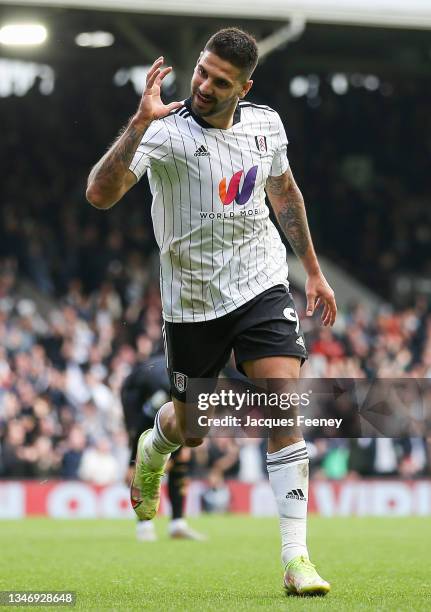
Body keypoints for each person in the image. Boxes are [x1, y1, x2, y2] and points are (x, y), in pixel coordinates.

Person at [86, 27, 337, 595]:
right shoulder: (164, 132)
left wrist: (314, 272)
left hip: (261, 284)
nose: (203, 85)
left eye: (219, 81)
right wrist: (138, 122)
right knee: (191, 428)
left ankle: (297, 560)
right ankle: (154, 447)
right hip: (193, 304)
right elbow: (99, 194)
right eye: (201, 71)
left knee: (282, 404)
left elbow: (285, 194)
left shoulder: (266, 125)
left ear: (243, 87)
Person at [121, 354, 205, 541]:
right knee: (146, 452)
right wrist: (130, 461)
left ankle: (177, 523)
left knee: (181, 456)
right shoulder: (163, 390)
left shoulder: (199, 386)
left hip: (166, 393)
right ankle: (144, 524)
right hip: (134, 393)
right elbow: (142, 426)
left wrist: (180, 452)